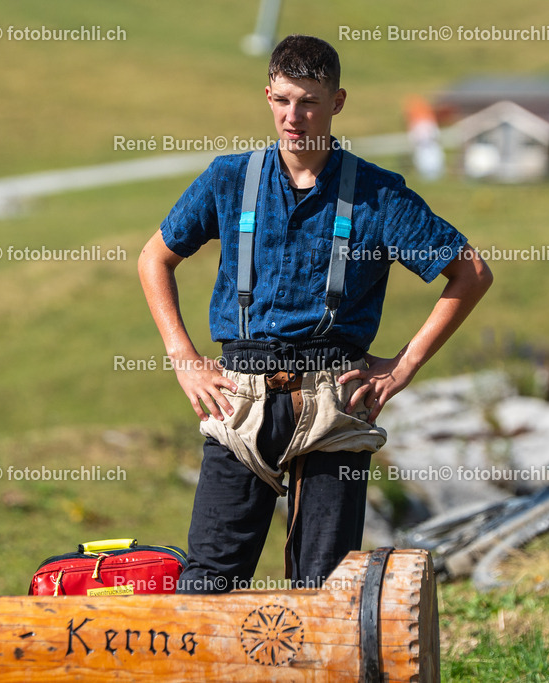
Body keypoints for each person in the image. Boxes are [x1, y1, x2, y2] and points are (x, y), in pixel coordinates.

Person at [138, 35, 493, 593]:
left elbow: (471, 273)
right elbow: (154, 258)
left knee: (325, 589)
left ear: (338, 101)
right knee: (207, 583)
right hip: (240, 395)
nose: (293, 116)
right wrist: (183, 357)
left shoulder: (380, 194)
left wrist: (402, 367)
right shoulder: (229, 179)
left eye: (308, 101)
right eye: (282, 100)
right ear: (268, 95)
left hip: (335, 402)